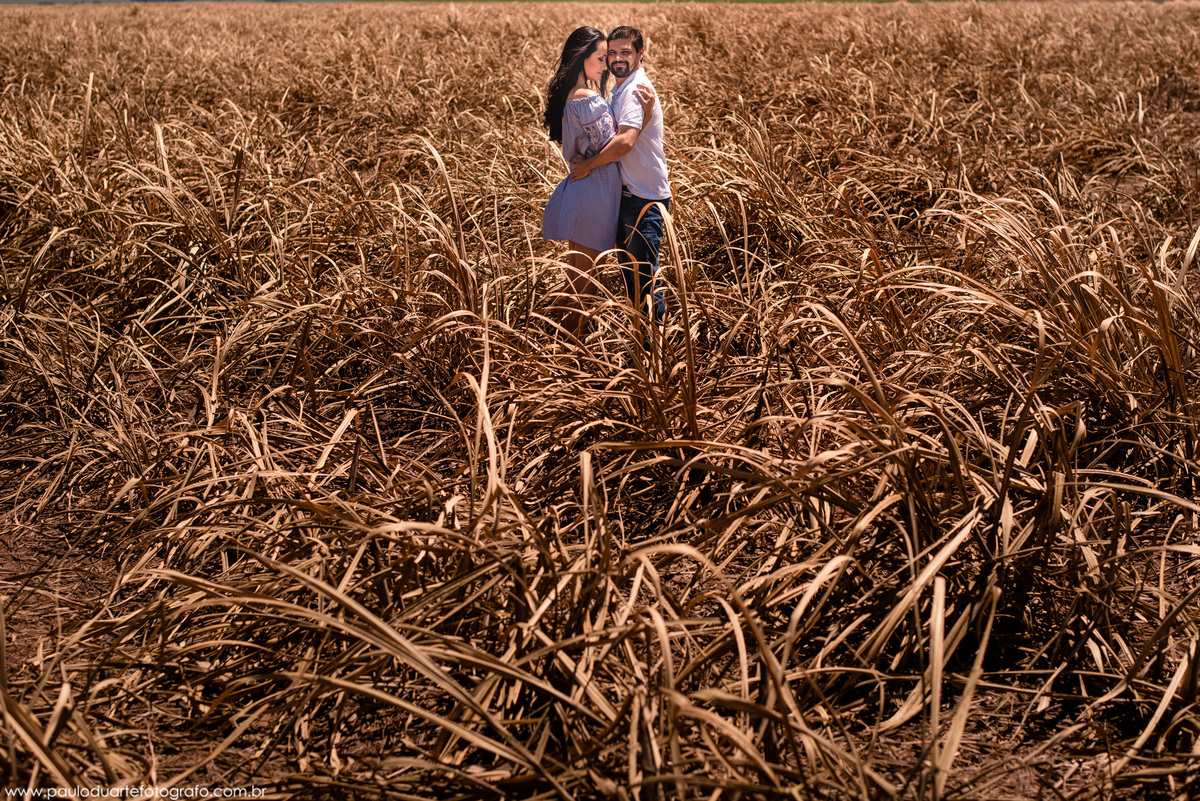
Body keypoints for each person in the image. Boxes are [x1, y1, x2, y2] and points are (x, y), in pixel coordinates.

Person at [542, 27, 654, 335]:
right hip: (597, 190)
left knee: (575, 281)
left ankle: (548, 346)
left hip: (582, 189)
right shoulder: (589, 99)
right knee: (586, 286)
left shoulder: (570, 95)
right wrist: (643, 118)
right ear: (582, 58)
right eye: (600, 58)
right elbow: (616, 146)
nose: (605, 66)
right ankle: (563, 355)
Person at [570, 25, 671, 323]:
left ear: (641, 54)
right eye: (612, 53)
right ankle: (644, 345)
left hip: (644, 199)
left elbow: (625, 141)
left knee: (643, 280)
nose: (617, 59)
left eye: (625, 52)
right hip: (630, 195)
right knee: (633, 276)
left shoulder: (636, 91)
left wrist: (587, 166)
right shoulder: (620, 89)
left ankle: (657, 348)